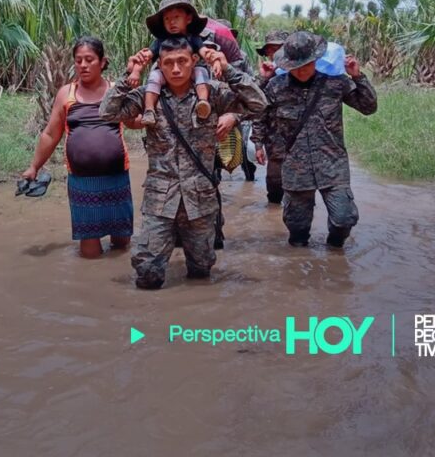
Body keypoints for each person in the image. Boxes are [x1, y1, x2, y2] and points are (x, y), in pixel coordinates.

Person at [100, 37, 267, 289]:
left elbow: (259, 104)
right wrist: (130, 74)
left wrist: (227, 69)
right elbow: (107, 113)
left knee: (201, 271)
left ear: (194, 61)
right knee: (147, 273)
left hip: (199, 199)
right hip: (160, 200)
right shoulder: (149, 96)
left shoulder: (212, 93)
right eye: (168, 63)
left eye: (182, 61)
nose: (176, 69)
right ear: (159, 65)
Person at [22, 37, 140, 259]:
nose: (83, 65)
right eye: (78, 61)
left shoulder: (115, 91)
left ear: (102, 62)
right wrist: (34, 167)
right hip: (82, 182)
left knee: (122, 244)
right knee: (89, 252)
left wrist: (151, 112)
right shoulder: (66, 94)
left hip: (116, 177)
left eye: (89, 60)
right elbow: (50, 134)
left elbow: (133, 122)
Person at [258, 31, 377, 248]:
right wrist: (262, 80)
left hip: (332, 165)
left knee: (343, 219)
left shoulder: (336, 84)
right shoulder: (275, 87)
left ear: (316, 59)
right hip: (296, 168)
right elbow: (252, 110)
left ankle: (334, 252)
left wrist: (358, 76)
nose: (301, 70)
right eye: (296, 65)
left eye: (306, 64)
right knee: (297, 232)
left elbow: (368, 107)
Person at [128, 0, 221, 127]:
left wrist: (216, 61)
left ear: (188, 19)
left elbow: (205, 53)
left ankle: (203, 102)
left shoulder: (193, 38)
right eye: (167, 19)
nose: (172, 22)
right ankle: (149, 110)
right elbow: (144, 57)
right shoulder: (160, 41)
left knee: (201, 71)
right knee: (154, 76)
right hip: (165, 74)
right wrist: (135, 72)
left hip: (191, 72)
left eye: (176, 17)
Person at [252, 30, 289, 203]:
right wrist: (258, 144)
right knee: (275, 185)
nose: (274, 54)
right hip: (275, 143)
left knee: (302, 193)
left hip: (301, 145)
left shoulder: (304, 75)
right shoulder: (264, 78)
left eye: (278, 49)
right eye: (270, 50)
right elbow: (258, 112)